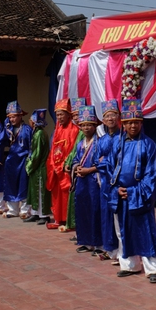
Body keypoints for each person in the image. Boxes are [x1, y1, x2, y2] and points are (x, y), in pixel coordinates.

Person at [103, 98, 156, 283]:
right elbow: (108, 168)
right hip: (120, 195)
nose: (132, 126)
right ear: (124, 123)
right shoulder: (117, 143)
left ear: (141, 122)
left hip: (139, 195)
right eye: (128, 122)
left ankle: (153, 269)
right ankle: (130, 265)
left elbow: (152, 174)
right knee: (123, 231)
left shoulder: (148, 144)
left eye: (136, 122)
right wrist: (116, 189)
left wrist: (135, 191)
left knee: (145, 230)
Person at [71, 105, 104, 255]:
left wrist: (89, 170)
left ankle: (98, 244)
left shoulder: (100, 142)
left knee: (95, 210)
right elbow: (76, 159)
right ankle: (86, 241)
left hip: (94, 182)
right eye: (83, 125)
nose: (86, 128)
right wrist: (77, 167)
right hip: (82, 182)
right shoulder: (79, 144)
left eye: (89, 125)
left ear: (95, 125)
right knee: (82, 209)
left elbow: (105, 163)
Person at [46, 98, 79, 229]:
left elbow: (72, 148)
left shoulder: (74, 129)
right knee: (56, 194)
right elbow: (54, 148)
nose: (59, 117)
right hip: (55, 167)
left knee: (66, 195)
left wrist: (63, 165)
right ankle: (58, 219)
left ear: (68, 114)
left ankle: (68, 220)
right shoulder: (57, 129)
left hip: (65, 168)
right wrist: (53, 164)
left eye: (62, 114)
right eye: (57, 114)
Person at [95, 99, 122, 262]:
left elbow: (121, 160)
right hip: (105, 183)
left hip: (118, 183)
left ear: (118, 117)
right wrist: (105, 162)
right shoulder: (102, 139)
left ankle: (122, 251)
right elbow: (97, 160)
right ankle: (110, 249)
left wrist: (106, 161)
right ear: (103, 120)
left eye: (113, 115)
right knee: (106, 217)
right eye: (107, 116)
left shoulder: (123, 138)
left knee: (118, 218)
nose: (110, 119)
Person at [2, 101, 33, 219]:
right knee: (11, 185)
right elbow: (1, 141)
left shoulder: (27, 129)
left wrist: (30, 160)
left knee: (23, 184)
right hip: (11, 160)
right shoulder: (8, 129)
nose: (12, 119)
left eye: (14, 116)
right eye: (10, 117)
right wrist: (6, 128)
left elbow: (31, 146)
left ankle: (25, 210)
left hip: (23, 160)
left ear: (20, 116)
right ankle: (12, 209)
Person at [61, 97, 86, 234]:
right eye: (74, 115)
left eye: (78, 115)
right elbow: (74, 150)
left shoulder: (84, 131)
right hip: (75, 167)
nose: (76, 117)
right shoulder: (79, 131)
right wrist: (67, 162)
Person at [23, 109, 52, 224]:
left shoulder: (39, 134)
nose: (29, 121)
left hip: (40, 168)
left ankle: (44, 215)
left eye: (31, 119)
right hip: (36, 168)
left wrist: (29, 165)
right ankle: (35, 213)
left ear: (34, 122)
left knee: (40, 192)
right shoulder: (36, 132)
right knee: (34, 190)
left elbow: (37, 153)